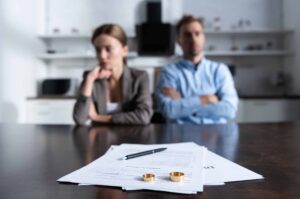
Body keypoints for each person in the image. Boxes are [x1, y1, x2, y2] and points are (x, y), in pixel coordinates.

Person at [155, 15, 238, 124]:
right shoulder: (168, 72)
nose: (193, 39)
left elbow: (230, 109)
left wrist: (184, 105)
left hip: (215, 135)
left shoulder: (219, 70)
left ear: (204, 38)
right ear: (178, 40)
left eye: (197, 34)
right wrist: (205, 100)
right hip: (181, 135)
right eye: (187, 35)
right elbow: (168, 110)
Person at [73, 24, 153, 125]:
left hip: (131, 137)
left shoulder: (139, 77)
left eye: (108, 49)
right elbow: (79, 119)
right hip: (100, 138)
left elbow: (144, 116)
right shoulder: (91, 77)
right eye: (98, 50)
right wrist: (90, 79)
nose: (102, 56)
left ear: (124, 50)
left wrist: (98, 117)